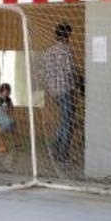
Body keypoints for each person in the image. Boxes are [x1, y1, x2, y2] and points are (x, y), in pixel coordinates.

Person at [41, 22, 77, 163]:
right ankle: (61, 153)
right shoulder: (66, 50)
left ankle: (55, 147)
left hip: (54, 91)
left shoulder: (49, 51)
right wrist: (76, 84)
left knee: (64, 121)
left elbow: (44, 72)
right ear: (67, 35)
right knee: (68, 123)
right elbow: (70, 71)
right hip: (65, 90)